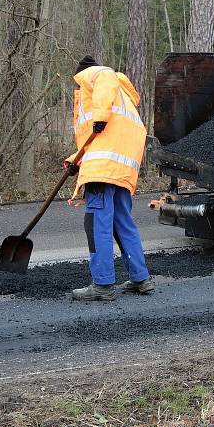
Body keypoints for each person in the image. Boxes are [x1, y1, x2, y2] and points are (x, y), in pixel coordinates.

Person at [64, 55, 154, 301]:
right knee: (121, 221)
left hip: (104, 170)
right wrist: (75, 161)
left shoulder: (97, 75)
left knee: (96, 224)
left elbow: (103, 77)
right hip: (120, 168)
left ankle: (103, 284)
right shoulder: (122, 98)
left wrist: (99, 117)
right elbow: (100, 140)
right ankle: (140, 278)